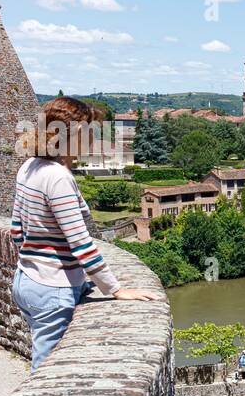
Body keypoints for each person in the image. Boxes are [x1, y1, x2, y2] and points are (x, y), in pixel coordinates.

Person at [10, 97, 158, 370]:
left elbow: (16, 231)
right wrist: (115, 289)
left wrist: (36, 261)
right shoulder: (58, 178)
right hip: (52, 289)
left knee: (46, 358)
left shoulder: (29, 166)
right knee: (47, 370)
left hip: (26, 280)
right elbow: (80, 243)